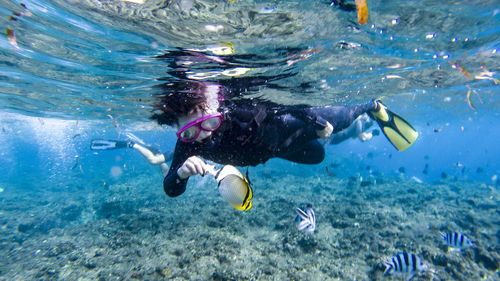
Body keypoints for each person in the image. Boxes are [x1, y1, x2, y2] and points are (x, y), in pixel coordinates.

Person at [150, 80, 418, 197]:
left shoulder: (235, 109)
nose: (203, 134)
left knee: (336, 121)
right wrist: (181, 175)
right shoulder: (187, 142)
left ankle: (371, 107)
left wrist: (314, 121)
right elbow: (170, 187)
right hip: (274, 151)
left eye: (208, 122)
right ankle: (351, 129)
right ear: (179, 131)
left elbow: (284, 105)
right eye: (189, 132)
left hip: (282, 131)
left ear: (217, 110)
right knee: (318, 156)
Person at [90, 139, 173, 176]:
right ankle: (132, 144)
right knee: (154, 161)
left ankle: (156, 152)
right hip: (183, 148)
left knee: (166, 173)